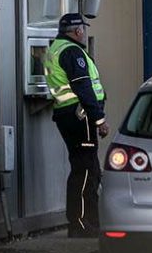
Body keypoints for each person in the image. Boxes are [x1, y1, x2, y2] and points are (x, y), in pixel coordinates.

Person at [44, 13, 108, 238]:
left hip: (68, 115)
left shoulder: (57, 48)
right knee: (85, 170)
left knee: (86, 168)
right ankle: (81, 224)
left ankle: (88, 221)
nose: (85, 33)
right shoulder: (72, 52)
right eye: (84, 29)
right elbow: (84, 88)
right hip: (80, 116)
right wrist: (99, 119)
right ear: (78, 31)